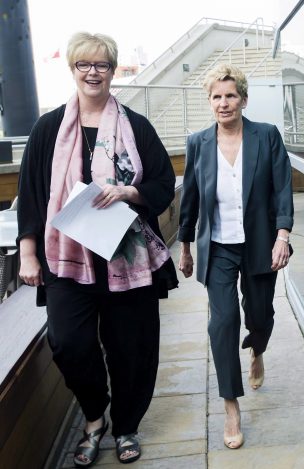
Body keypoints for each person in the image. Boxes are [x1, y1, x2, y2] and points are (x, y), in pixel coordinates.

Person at [17, 32, 178, 466]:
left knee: (133, 349)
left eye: (102, 64)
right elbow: (31, 195)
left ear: (112, 70)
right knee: (67, 342)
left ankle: (126, 426)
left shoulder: (136, 127)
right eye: (84, 64)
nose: (93, 72)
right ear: (72, 69)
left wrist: (130, 192)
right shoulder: (49, 129)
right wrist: (28, 253)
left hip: (126, 259)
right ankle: (94, 416)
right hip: (67, 262)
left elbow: (164, 183)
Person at [177, 63, 293, 449]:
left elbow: (282, 189)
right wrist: (186, 246)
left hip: (260, 243)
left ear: (243, 99)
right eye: (216, 96)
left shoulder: (267, 136)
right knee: (223, 322)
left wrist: (282, 235)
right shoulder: (198, 143)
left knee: (260, 314)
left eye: (230, 96)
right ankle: (231, 406)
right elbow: (190, 198)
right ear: (209, 101)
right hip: (219, 248)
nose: (223, 103)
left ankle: (257, 347)